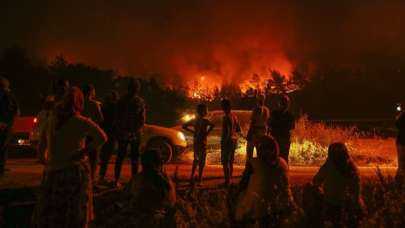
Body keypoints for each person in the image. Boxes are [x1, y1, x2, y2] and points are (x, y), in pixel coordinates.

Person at [32, 87, 107, 228]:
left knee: (53, 209)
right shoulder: (81, 121)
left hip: (52, 172)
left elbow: (41, 144)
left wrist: (45, 159)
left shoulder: (51, 120)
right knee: (74, 209)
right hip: (74, 171)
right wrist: (84, 151)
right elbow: (102, 137)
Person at [235, 135, 295, 227]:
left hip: (262, 210)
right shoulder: (283, 162)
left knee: (239, 197)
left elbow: (242, 185)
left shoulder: (253, 163)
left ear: (260, 149)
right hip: (286, 205)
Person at [310, 143, 365, 227]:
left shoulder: (329, 166)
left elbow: (315, 181)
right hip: (351, 206)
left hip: (332, 206)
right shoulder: (352, 168)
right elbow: (356, 191)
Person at [128, 149, 176, 226]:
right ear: (160, 163)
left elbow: (129, 199)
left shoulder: (139, 179)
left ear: (142, 163)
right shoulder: (167, 181)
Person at [114, 79, 145, 186]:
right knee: (121, 157)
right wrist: (123, 131)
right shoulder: (122, 101)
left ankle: (133, 181)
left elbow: (142, 119)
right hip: (126, 133)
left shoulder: (139, 102)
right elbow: (117, 118)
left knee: (134, 158)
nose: (135, 90)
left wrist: (134, 131)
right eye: (134, 88)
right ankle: (116, 180)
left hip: (134, 134)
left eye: (136, 88)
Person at [183, 103, 214, 185]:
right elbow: (212, 125)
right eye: (206, 110)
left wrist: (193, 132)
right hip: (203, 142)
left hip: (196, 141)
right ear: (204, 111)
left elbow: (184, 126)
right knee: (202, 161)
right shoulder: (205, 121)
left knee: (195, 159)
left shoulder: (195, 120)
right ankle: (200, 180)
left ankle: (191, 177)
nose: (207, 111)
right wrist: (207, 133)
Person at [81, 84, 104, 180]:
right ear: (91, 92)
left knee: (82, 159)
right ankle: (92, 180)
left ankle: (83, 179)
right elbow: (101, 118)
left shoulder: (79, 104)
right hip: (92, 135)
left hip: (81, 135)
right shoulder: (95, 105)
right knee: (93, 160)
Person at [98, 91, 120, 184]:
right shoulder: (114, 107)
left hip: (104, 132)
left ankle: (100, 176)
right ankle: (101, 177)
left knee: (103, 156)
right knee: (106, 156)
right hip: (111, 134)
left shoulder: (103, 107)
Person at [0, 77, 19, 175]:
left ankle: (1, 168)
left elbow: (16, 111)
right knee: (3, 148)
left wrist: (8, 123)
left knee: (3, 147)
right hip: (5, 126)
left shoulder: (9, 97)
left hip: (5, 126)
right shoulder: (9, 97)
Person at [268, 94, 295, 163]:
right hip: (284, 137)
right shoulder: (290, 115)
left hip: (275, 137)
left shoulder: (274, 113)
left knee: (274, 156)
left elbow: (269, 125)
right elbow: (292, 127)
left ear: (279, 104)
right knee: (284, 156)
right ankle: (284, 171)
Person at [221, 99, 241, 186]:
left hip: (228, 141)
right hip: (233, 141)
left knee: (225, 162)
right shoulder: (234, 116)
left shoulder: (226, 118)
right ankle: (230, 179)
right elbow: (238, 129)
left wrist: (223, 142)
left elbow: (227, 132)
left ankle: (227, 182)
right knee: (231, 161)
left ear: (224, 107)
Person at [246, 94, 269, 163]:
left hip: (255, 132)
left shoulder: (256, 109)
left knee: (249, 151)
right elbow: (267, 122)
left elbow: (253, 122)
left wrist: (249, 133)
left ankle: (249, 169)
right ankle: (260, 169)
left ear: (258, 100)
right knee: (260, 152)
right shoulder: (267, 110)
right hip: (263, 132)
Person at [34, 96, 55, 163]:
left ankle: (49, 159)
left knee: (50, 145)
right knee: (41, 145)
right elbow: (38, 122)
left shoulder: (55, 112)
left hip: (51, 130)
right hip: (43, 130)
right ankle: (41, 158)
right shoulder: (42, 113)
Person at [395, 105, 405, 181]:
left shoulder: (402, 115)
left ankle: (399, 179)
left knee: (401, 162)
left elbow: (397, 124)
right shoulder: (402, 115)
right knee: (401, 162)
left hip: (401, 140)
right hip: (401, 141)